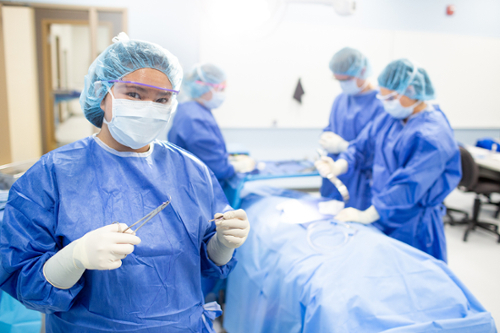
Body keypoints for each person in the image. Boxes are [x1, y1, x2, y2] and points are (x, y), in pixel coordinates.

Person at [0, 33, 250, 333]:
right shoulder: (52, 175)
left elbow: (205, 262)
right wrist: (74, 258)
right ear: (102, 94)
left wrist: (222, 245)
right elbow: (25, 280)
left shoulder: (192, 171)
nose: (149, 107)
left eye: (162, 99)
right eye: (133, 94)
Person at [315, 59, 461, 262]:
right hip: (385, 212)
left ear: (410, 91)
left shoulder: (433, 135)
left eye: (390, 97)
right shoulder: (389, 118)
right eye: (382, 97)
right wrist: (338, 165)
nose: (385, 103)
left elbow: (408, 186)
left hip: (413, 224)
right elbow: (362, 147)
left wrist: (368, 215)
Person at [168, 63, 255, 188]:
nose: (223, 94)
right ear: (202, 87)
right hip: (199, 190)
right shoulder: (195, 119)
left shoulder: (190, 109)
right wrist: (236, 166)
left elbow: (206, 153)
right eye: (220, 89)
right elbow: (217, 169)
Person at [319, 47, 385, 210]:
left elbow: (381, 151)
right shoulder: (340, 100)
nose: (343, 84)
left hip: (362, 182)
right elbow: (331, 128)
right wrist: (326, 139)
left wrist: (345, 147)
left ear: (362, 72)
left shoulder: (381, 104)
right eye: (339, 80)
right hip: (334, 178)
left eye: (346, 79)